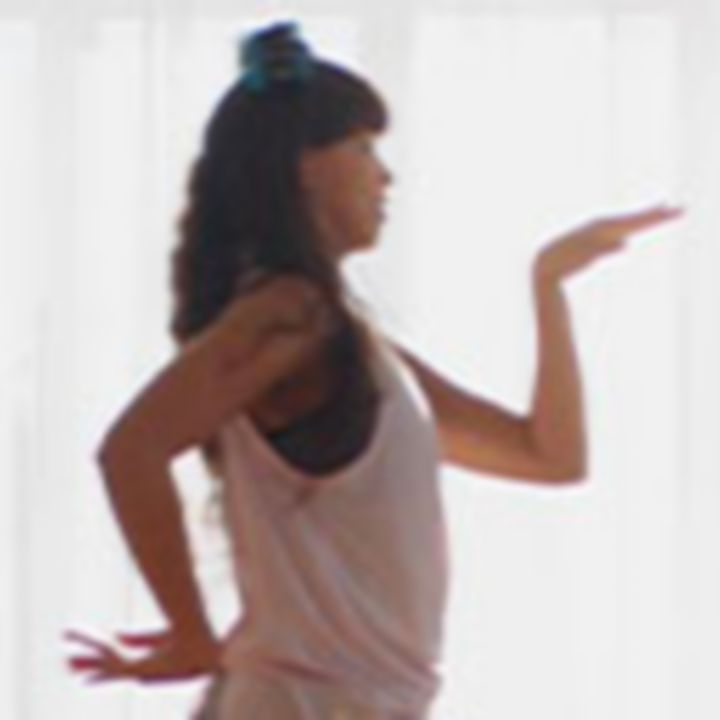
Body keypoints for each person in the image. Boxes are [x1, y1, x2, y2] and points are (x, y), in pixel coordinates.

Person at [63, 19, 683, 720]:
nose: (385, 176)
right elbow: (131, 449)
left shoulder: (349, 341)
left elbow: (548, 455)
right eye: (363, 148)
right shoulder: (291, 314)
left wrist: (549, 285)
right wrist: (190, 633)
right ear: (305, 166)